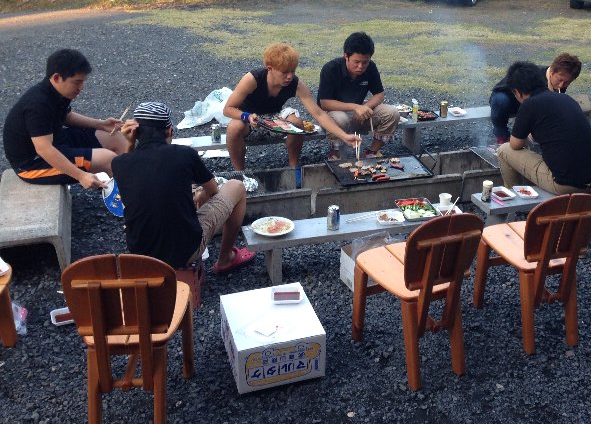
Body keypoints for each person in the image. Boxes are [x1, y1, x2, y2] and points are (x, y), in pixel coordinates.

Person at [113, 102, 255, 274]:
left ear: (135, 133)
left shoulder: (119, 164)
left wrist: (129, 144)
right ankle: (225, 259)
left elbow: (138, 181)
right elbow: (213, 191)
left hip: (141, 255)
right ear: (169, 131)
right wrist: (201, 196)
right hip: (185, 251)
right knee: (236, 186)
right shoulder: (184, 154)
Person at [223, 44, 360, 183]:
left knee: (297, 123)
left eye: (292, 71)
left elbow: (318, 114)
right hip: (250, 119)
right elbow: (228, 109)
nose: (289, 76)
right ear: (270, 68)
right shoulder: (253, 79)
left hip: (274, 117)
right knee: (234, 127)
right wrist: (246, 116)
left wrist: (344, 136)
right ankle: (240, 174)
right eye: (284, 72)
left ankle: (293, 167)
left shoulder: (295, 84)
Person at [3, 48, 127, 188]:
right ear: (56, 78)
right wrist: (81, 176)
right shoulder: (38, 104)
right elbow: (44, 149)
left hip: (57, 141)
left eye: (83, 82)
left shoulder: (59, 91)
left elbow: (67, 116)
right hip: (33, 164)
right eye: (77, 82)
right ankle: (127, 197)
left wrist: (101, 124)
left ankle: (136, 184)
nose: (81, 87)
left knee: (116, 138)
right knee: (108, 159)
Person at [496, 62, 591, 195]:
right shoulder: (566, 98)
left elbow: (515, 144)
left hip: (566, 186)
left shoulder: (529, 105)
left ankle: (515, 199)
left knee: (504, 150)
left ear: (517, 92)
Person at [317, 32, 400, 160]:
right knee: (340, 118)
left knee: (391, 113)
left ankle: (372, 152)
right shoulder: (331, 69)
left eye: (365, 62)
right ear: (346, 56)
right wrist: (356, 107)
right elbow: (325, 103)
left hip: (359, 115)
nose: (360, 67)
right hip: (333, 116)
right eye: (356, 62)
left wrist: (365, 107)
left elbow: (379, 94)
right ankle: (335, 155)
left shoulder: (371, 67)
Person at [489, 53, 583, 144]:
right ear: (552, 72)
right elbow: (533, 104)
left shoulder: (559, 81)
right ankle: (502, 136)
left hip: (527, 101)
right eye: (560, 80)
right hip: (509, 98)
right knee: (501, 101)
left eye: (567, 82)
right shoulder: (536, 77)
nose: (561, 85)